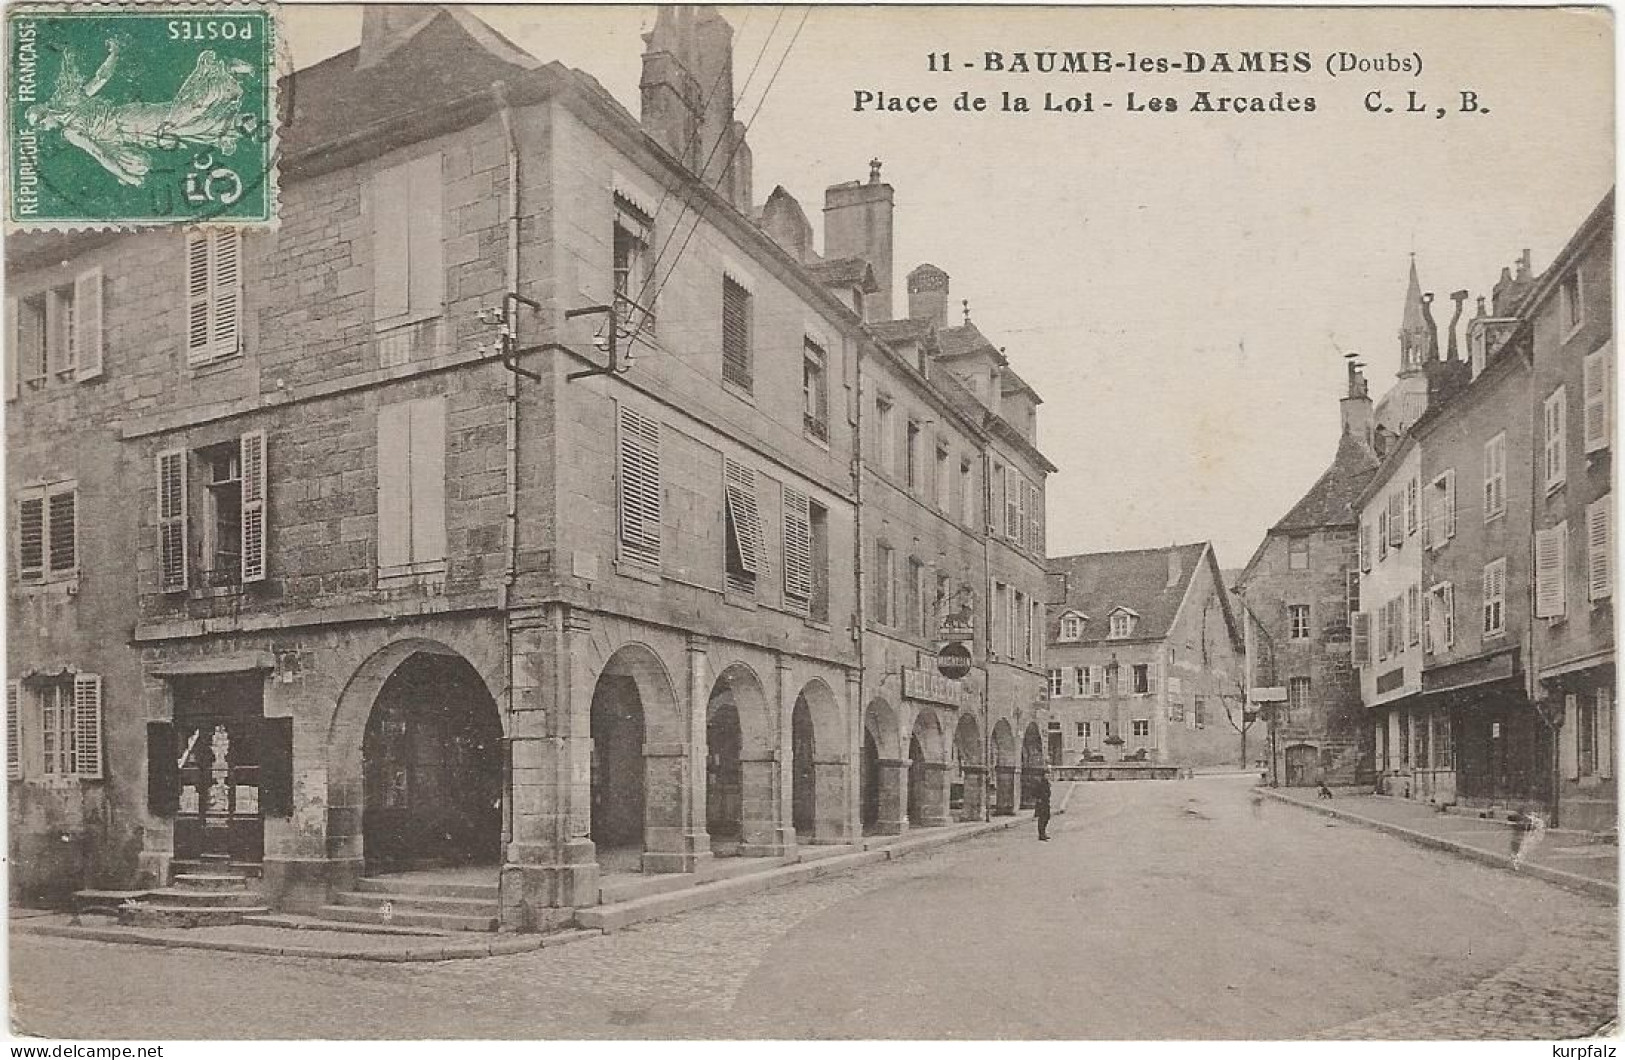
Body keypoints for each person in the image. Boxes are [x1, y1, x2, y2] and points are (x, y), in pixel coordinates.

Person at [1035, 770, 1052, 841]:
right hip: (1041, 803)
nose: (1048, 776)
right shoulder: (1041, 783)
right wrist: (1039, 799)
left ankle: (1043, 833)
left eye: (1048, 774)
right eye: (1047, 774)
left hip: (1046, 802)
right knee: (1042, 818)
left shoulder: (1047, 783)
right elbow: (1036, 792)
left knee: (1047, 817)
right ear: (1044, 775)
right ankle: (1041, 835)